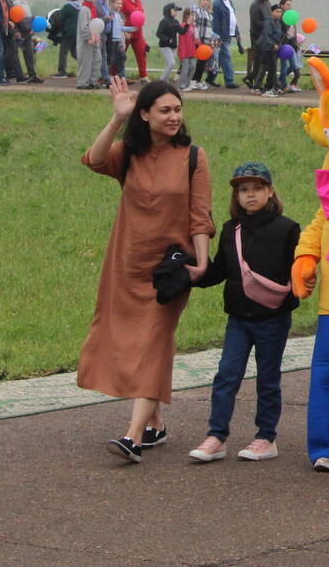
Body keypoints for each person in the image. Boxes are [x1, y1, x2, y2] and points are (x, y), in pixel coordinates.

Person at [78, 78, 213, 462]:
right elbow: (95, 159)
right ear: (145, 114)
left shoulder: (193, 156)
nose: (174, 117)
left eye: (178, 109)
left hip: (170, 269)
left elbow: (200, 215)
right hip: (125, 262)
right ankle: (155, 424)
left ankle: (133, 436)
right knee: (125, 340)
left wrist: (201, 262)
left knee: (154, 342)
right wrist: (116, 119)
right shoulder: (129, 153)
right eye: (165, 110)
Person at [188, 162, 299, 463]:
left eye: (257, 188)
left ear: (270, 191)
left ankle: (266, 437)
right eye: (243, 190)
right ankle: (216, 436)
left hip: (273, 318)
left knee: (268, 377)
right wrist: (193, 273)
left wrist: (303, 284)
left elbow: (298, 271)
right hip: (238, 318)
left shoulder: (287, 228)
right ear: (236, 196)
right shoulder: (229, 230)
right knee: (226, 375)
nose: (250, 195)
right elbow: (220, 271)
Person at [211, 0, 241, 89]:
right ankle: (229, 81)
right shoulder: (217, 4)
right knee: (226, 57)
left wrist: (237, 33)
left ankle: (210, 79)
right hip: (221, 37)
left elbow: (233, 19)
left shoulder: (229, 2)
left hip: (229, 34)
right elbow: (215, 23)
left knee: (220, 59)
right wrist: (217, 37)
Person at [117, 0, 148, 81]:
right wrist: (124, 32)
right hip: (127, 32)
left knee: (141, 53)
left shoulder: (138, 1)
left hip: (138, 32)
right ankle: (114, 74)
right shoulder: (123, 1)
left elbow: (140, 15)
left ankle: (143, 76)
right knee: (121, 54)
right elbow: (120, 16)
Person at [247, 0, 275, 90]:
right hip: (256, 37)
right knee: (258, 60)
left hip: (266, 36)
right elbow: (255, 22)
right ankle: (252, 80)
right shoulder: (255, 5)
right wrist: (268, 23)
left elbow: (270, 16)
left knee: (264, 61)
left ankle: (256, 82)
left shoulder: (268, 3)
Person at [156, 3, 183, 84]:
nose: (176, 12)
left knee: (168, 64)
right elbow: (158, 33)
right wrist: (167, 39)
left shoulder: (176, 21)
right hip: (165, 46)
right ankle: (162, 80)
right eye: (174, 10)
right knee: (172, 63)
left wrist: (188, 24)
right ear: (169, 11)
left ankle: (165, 82)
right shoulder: (164, 21)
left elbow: (181, 32)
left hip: (173, 47)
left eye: (177, 10)